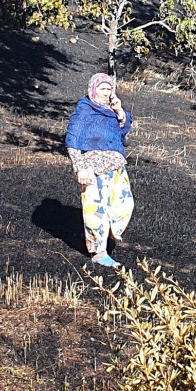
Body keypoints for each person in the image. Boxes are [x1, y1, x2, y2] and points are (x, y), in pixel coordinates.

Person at [65, 73, 134, 267]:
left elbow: (123, 131)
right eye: (102, 88)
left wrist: (119, 111)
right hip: (93, 167)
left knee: (124, 204)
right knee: (96, 209)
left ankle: (112, 233)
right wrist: (80, 168)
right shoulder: (85, 110)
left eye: (109, 88)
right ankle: (99, 252)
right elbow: (73, 140)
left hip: (116, 166)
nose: (106, 92)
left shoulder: (111, 110)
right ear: (93, 89)